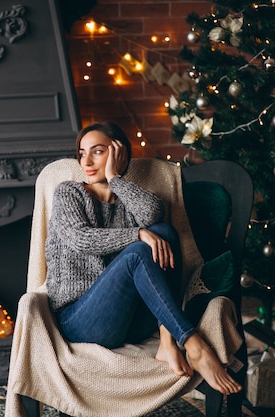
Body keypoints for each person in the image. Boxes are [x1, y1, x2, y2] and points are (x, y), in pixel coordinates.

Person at [44, 121, 242, 395]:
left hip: (131, 322)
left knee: (162, 232)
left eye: (97, 151)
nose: (86, 161)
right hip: (81, 321)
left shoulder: (127, 198)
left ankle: (167, 342)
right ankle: (193, 343)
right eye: (81, 153)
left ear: (118, 153)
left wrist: (115, 179)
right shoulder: (69, 192)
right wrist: (138, 235)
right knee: (140, 249)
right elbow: (80, 238)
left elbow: (153, 215)